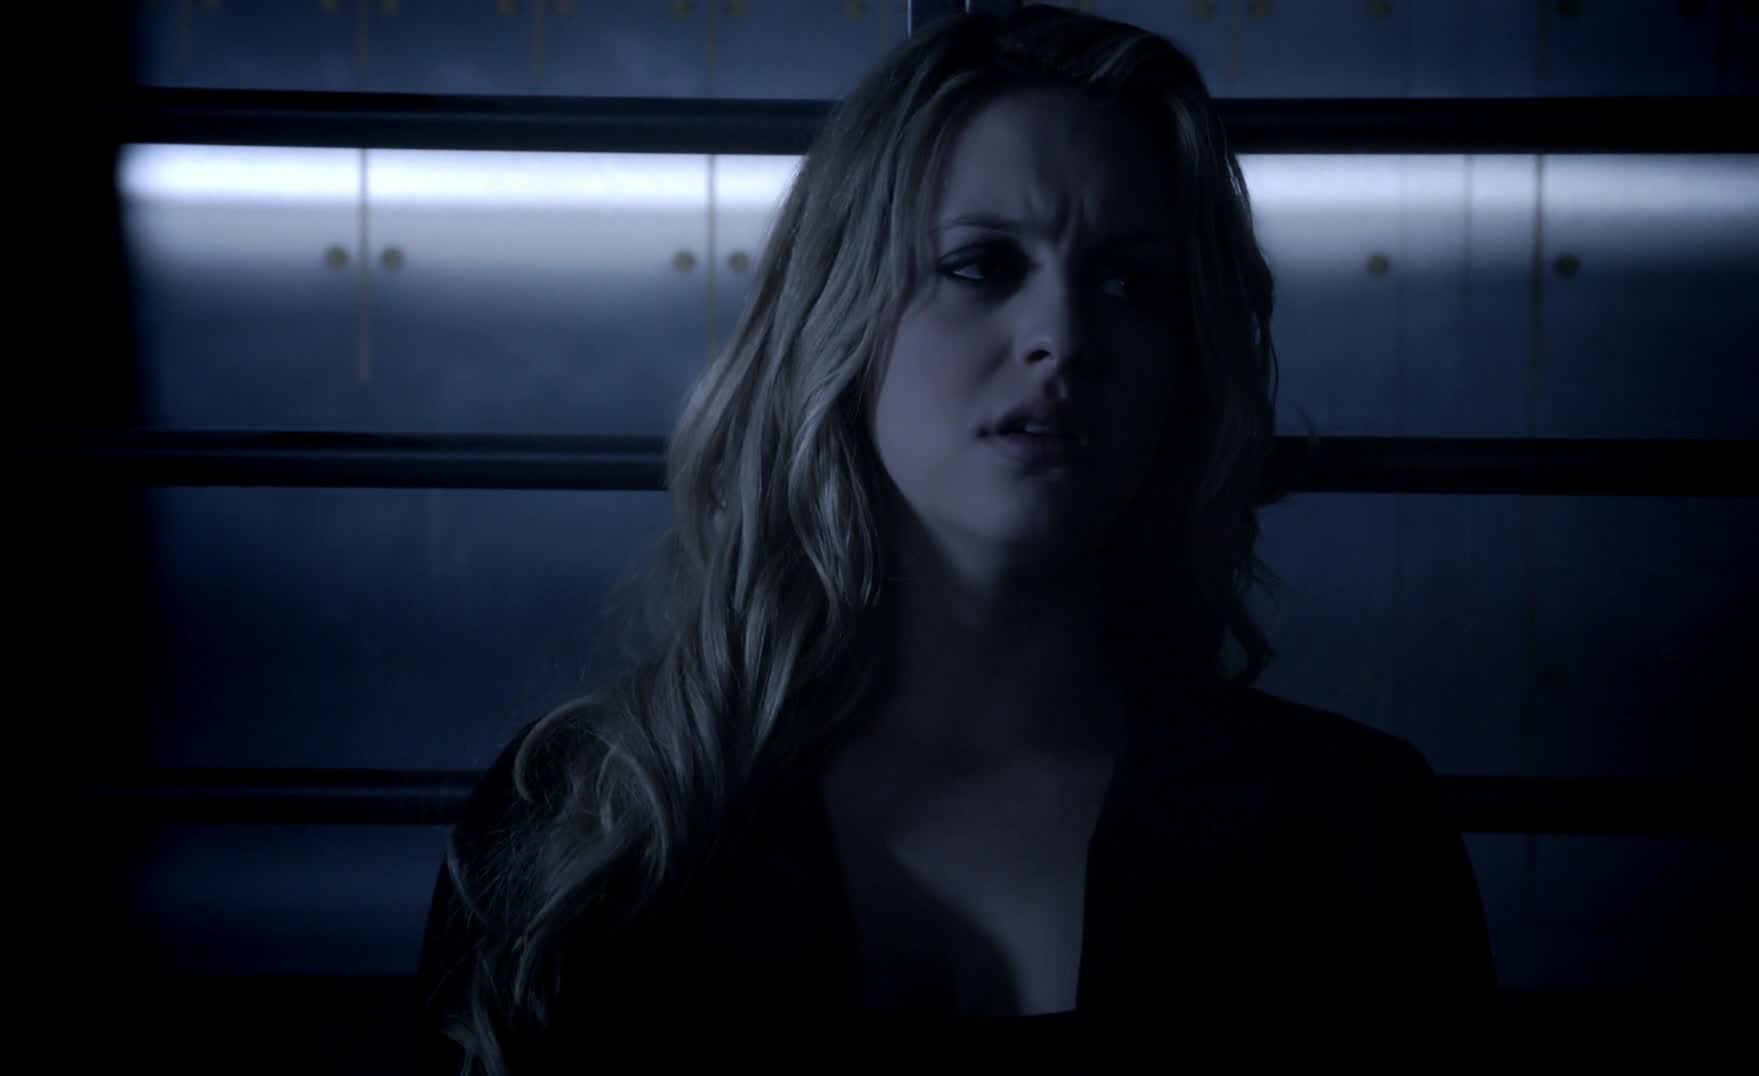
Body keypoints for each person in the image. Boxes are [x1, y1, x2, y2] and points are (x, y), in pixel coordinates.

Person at [410, 7, 1497, 1073]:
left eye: (1128, 281)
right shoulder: (598, 817)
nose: (1062, 337)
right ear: (840, 313)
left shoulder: (1349, 828)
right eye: (981, 265)